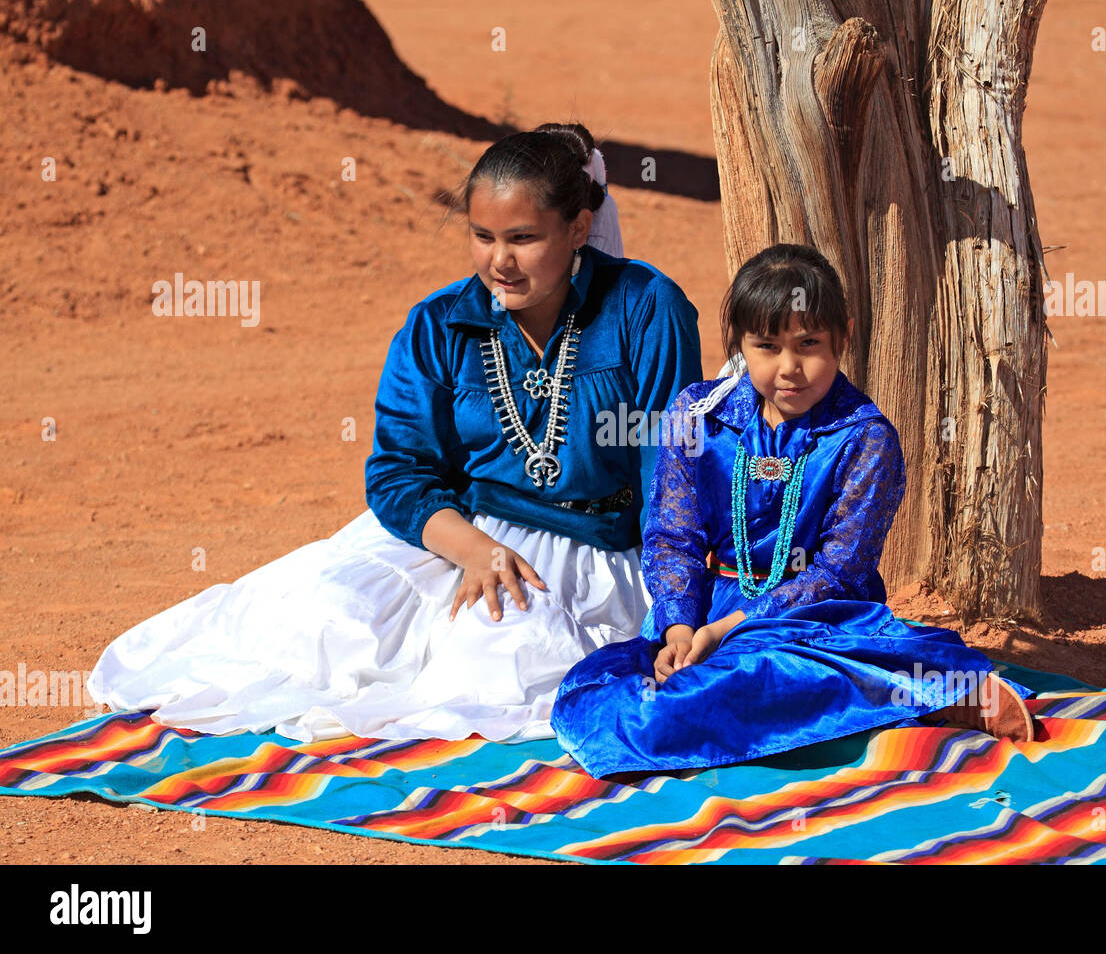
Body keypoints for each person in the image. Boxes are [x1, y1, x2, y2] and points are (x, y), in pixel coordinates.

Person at [87, 122, 703, 744]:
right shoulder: (437, 324)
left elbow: (670, 474)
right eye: (482, 236)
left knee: (503, 666)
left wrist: (674, 612)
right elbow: (399, 471)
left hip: (597, 556)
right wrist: (471, 550)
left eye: (523, 238)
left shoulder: (646, 308)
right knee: (323, 620)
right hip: (459, 536)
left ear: (576, 229)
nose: (499, 261)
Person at [550, 243, 1034, 778]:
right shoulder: (698, 416)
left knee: (752, 675)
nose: (790, 369)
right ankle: (903, 698)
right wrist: (679, 628)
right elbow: (672, 536)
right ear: (739, 341)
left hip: (816, 617)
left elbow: (838, 571)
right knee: (593, 692)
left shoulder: (865, 439)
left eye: (809, 344)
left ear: (843, 335)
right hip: (704, 611)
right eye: (766, 346)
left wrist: (731, 629)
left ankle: (939, 691)